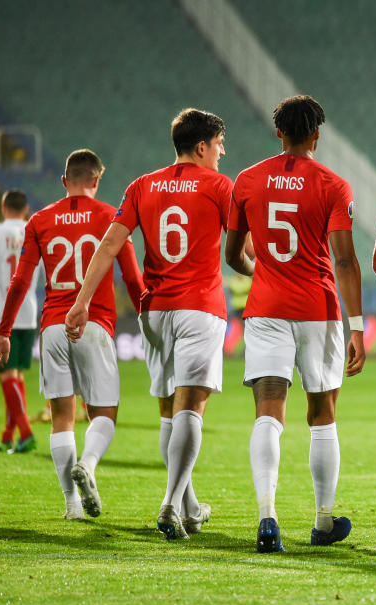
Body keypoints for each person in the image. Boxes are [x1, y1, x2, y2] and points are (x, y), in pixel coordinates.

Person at [66, 108, 232, 540]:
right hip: (200, 306)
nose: (222, 152)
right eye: (219, 145)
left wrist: (82, 301)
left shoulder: (142, 185)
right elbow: (241, 248)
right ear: (201, 146)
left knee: (168, 413)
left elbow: (109, 244)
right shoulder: (219, 186)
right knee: (191, 407)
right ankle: (170, 505)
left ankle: (191, 508)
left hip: (155, 311)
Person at [224, 95, 365, 553]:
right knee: (322, 416)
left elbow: (232, 254)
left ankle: (267, 517)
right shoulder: (333, 185)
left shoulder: (246, 180)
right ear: (317, 137)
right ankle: (324, 520)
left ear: (278, 133)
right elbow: (344, 259)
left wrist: (259, 272)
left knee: (269, 413)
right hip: (318, 312)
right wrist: (358, 326)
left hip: (265, 309)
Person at [0, 150, 144, 519]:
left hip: (54, 327)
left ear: (64, 181)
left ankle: (71, 504)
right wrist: (147, 321)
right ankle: (88, 465)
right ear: (96, 180)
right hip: (94, 323)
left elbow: (21, 281)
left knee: (62, 415)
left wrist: (4, 331)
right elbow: (133, 279)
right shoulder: (111, 216)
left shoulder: (40, 220)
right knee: (103, 412)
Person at [0, 190, 40, 452]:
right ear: (25, 210)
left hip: (2, 313)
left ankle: (25, 432)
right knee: (17, 375)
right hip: (29, 312)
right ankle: (8, 435)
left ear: (3, 208)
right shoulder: (35, 229)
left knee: (6, 375)